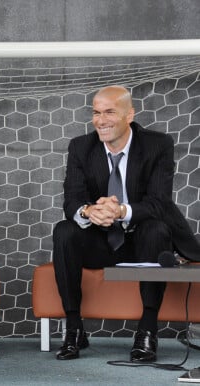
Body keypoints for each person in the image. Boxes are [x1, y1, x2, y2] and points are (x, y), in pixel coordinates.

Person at [52, 85, 200, 362]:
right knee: (64, 231)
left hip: (142, 241)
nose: (101, 120)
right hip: (100, 241)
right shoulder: (81, 147)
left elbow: (159, 202)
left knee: (156, 228)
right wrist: (89, 212)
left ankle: (147, 330)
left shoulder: (158, 145)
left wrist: (120, 210)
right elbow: (71, 199)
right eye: (96, 112)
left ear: (129, 114)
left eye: (109, 112)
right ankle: (74, 329)